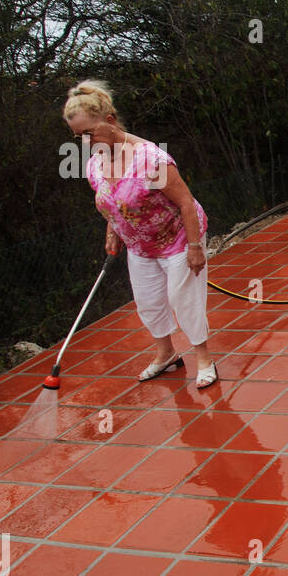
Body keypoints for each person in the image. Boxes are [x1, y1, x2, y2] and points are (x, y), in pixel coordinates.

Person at [62, 80, 218, 388]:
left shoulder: (150, 158)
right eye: (77, 136)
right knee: (148, 302)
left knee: (183, 298)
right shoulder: (95, 163)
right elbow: (113, 200)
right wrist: (112, 229)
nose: (84, 142)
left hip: (177, 238)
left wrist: (196, 247)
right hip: (141, 246)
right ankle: (167, 354)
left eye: (88, 133)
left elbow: (185, 202)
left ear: (109, 122)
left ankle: (204, 358)